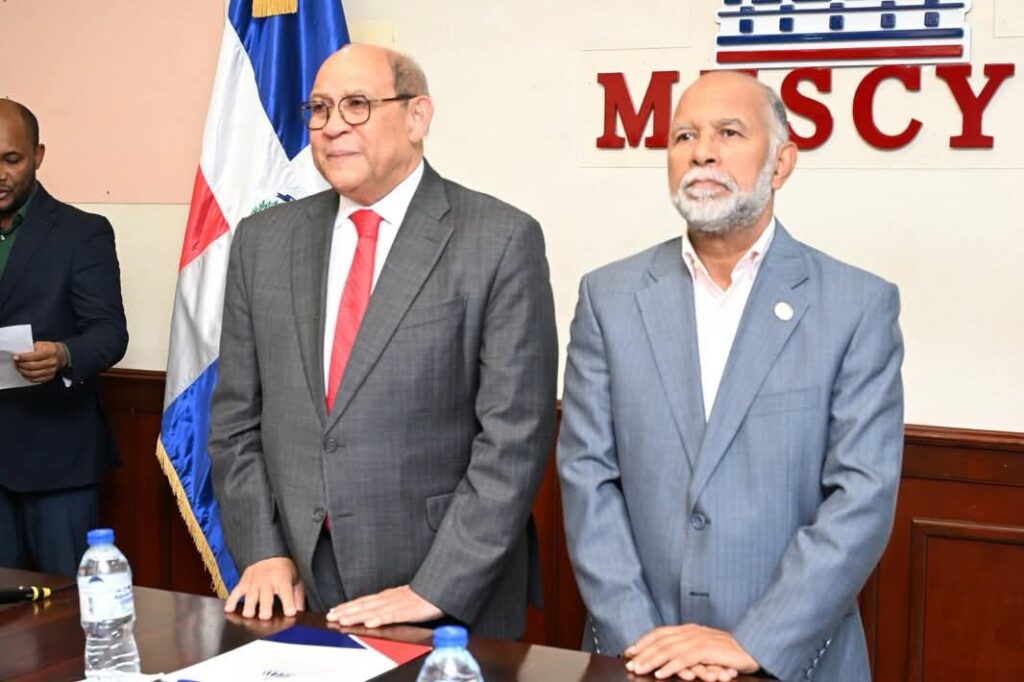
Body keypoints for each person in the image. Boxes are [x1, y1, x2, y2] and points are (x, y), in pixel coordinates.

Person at [557, 71, 904, 682]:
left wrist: (756, 642)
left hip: (792, 662)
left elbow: (862, 497)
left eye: (729, 133)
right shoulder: (608, 298)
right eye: (684, 135)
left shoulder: (856, 306)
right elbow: (588, 479)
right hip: (636, 658)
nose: (702, 152)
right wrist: (642, 641)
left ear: (782, 162)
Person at [208, 44, 558, 639]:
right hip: (295, 587)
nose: (332, 126)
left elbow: (514, 439)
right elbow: (235, 419)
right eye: (319, 109)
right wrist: (262, 550)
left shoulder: (499, 240)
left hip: (444, 596)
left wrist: (435, 589)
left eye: (356, 105)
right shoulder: (262, 241)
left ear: (417, 117)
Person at [0, 99, 128, 576]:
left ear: (38, 155)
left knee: (68, 608)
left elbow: (110, 333)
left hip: (57, 460)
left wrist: (64, 354)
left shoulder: (82, 232)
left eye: (11, 159)